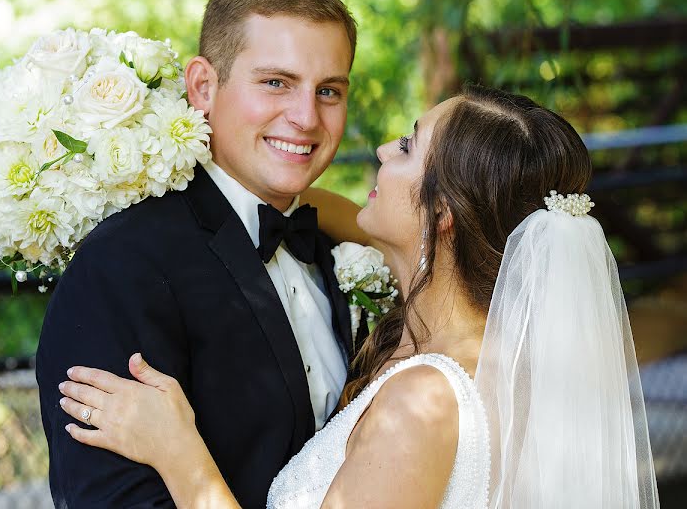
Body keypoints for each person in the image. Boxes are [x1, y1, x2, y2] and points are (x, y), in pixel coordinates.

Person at [57, 85, 660, 508]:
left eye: (406, 145)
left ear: (444, 212)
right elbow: (305, 209)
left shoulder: (423, 403)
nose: (379, 152)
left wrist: (178, 450)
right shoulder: (472, 352)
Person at [36, 0, 363, 508]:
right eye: (276, 82)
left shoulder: (332, 250)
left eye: (328, 91)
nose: (307, 118)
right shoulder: (125, 264)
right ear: (203, 87)